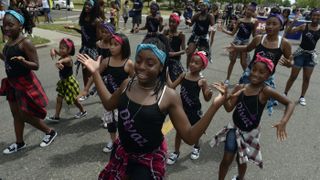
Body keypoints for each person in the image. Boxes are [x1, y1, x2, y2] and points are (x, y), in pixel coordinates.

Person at [77, 34, 226, 179]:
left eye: (150, 63)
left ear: (161, 67)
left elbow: (189, 136)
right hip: (122, 151)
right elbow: (109, 104)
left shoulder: (168, 96)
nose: (141, 67)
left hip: (147, 161)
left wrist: (214, 106)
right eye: (139, 60)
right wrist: (96, 72)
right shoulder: (126, 84)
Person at [211, 54, 295, 180]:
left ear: (268, 76)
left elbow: (290, 103)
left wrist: (283, 121)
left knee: (242, 160)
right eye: (254, 70)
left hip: (250, 132)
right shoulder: (241, 87)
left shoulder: (265, 91)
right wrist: (225, 96)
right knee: (226, 159)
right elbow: (229, 108)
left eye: (261, 72)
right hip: (234, 128)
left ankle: (240, 177)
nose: (256, 74)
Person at [0, 10, 57, 154]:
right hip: (12, 83)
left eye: (10, 25)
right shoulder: (9, 42)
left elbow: (36, 65)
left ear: (20, 25)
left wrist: (23, 61)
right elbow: (7, 60)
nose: (6, 28)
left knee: (25, 115)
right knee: (16, 115)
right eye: (4, 24)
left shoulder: (25, 43)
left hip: (24, 83)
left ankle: (49, 132)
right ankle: (19, 143)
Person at [227, 12, 292, 115]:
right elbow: (248, 48)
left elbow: (290, 61)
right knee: (242, 98)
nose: (270, 26)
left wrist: (289, 64)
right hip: (250, 74)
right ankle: (239, 120)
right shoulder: (258, 38)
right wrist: (236, 47)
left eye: (274, 24)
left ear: (281, 26)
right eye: (268, 23)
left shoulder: (284, 43)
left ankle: (251, 124)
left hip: (266, 79)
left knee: (256, 104)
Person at [166, 51, 213, 165]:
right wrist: (166, 74)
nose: (192, 64)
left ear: (202, 66)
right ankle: (176, 152)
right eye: (191, 61)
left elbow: (207, 98)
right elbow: (172, 87)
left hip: (194, 110)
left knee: (194, 131)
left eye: (196, 63)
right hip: (181, 109)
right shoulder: (183, 75)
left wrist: (209, 93)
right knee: (179, 131)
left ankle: (196, 146)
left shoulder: (202, 81)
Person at [284, 8, 320, 106]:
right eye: (314, 15)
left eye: (318, 15)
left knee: (307, 78)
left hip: (311, 56)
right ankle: (285, 93)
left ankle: (302, 97)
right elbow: (289, 32)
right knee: (293, 76)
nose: (316, 17)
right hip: (300, 54)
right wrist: (294, 22)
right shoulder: (304, 26)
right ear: (311, 16)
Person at [64, 0, 100, 98]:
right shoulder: (84, 18)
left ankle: (99, 88)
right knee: (84, 71)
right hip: (84, 48)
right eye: (86, 4)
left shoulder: (96, 21)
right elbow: (84, 32)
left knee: (92, 72)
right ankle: (86, 92)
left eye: (90, 5)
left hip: (92, 49)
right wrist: (73, 28)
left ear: (94, 7)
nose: (87, 6)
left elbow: (99, 37)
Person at [46, 38, 87, 122]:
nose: (60, 50)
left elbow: (64, 60)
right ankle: (56, 117)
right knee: (59, 99)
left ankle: (83, 111)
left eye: (63, 48)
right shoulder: (62, 55)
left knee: (74, 100)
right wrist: (52, 50)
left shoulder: (68, 59)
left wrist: (59, 62)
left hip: (69, 82)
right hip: (63, 82)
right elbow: (55, 50)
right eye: (60, 47)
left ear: (69, 50)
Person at [219, 2, 258, 85]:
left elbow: (254, 35)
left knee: (243, 63)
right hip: (236, 42)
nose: (249, 12)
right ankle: (227, 79)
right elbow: (233, 33)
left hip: (245, 44)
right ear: (245, 9)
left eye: (251, 10)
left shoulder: (254, 22)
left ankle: (248, 79)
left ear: (254, 12)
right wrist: (223, 30)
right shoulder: (240, 20)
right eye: (248, 9)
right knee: (232, 61)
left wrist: (259, 39)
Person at [186, 0, 214, 68]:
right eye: (201, 5)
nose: (201, 7)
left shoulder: (210, 16)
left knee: (202, 56)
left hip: (203, 37)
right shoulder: (196, 15)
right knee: (190, 53)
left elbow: (213, 27)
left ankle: (198, 71)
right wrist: (188, 21)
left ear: (207, 7)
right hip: (195, 36)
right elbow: (190, 24)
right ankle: (187, 69)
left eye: (203, 5)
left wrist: (210, 35)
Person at [163, 12, 186, 82]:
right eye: (170, 21)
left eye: (173, 22)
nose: (171, 24)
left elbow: (184, 50)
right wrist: (166, 40)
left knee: (173, 81)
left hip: (175, 61)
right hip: (164, 59)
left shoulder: (181, 35)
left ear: (178, 23)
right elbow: (160, 45)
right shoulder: (166, 32)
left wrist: (174, 54)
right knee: (162, 80)